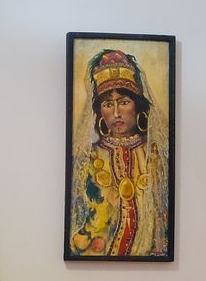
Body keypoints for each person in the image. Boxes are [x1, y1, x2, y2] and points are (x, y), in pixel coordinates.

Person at [68, 48, 169, 257]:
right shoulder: (88, 159)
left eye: (124, 102)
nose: (116, 113)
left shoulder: (157, 158)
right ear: (99, 112)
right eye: (107, 104)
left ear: (138, 106)